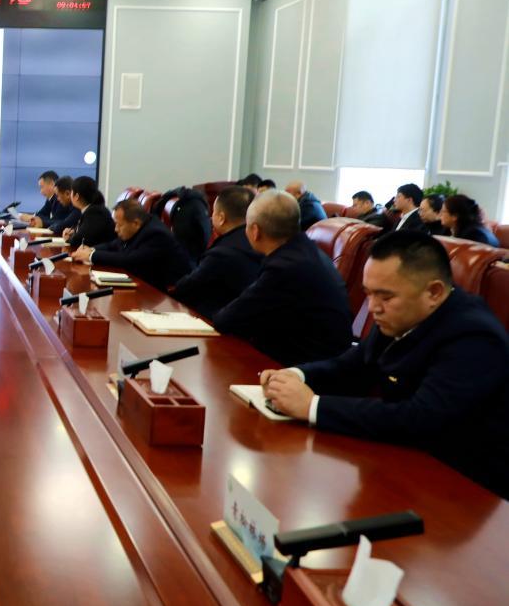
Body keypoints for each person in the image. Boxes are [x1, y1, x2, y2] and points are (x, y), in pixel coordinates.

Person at [261, 231, 509, 499]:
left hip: (461, 487)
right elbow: (351, 366)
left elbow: (420, 418)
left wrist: (312, 406)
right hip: (402, 459)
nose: (373, 307)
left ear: (434, 292)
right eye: (368, 294)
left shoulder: (474, 337)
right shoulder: (402, 314)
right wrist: (295, 376)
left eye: (385, 297)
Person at [213, 190, 352, 366]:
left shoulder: (284, 268)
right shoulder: (305, 250)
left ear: (255, 231)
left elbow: (227, 320)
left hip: (307, 368)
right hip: (321, 358)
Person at [172, 186, 262, 318]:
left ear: (221, 218)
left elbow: (186, 288)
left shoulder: (222, 254)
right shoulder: (261, 242)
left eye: (213, 212)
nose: (210, 217)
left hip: (220, 321)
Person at [71, 198, 193, 291]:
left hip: (165, 292)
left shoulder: (156, 234)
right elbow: (114, 245)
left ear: (136, 223)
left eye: (119, 225)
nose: (116, 229)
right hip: (142, 281)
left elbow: (129, 260)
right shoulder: (139, 226)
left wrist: (91, 255)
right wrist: (90, 249)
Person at [63, 177, 113, 250]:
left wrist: (68, 238)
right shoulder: (90, 210)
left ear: (76, 196)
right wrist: (73, 232)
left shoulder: (95, 212)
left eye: (71, 192)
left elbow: (78, 240)